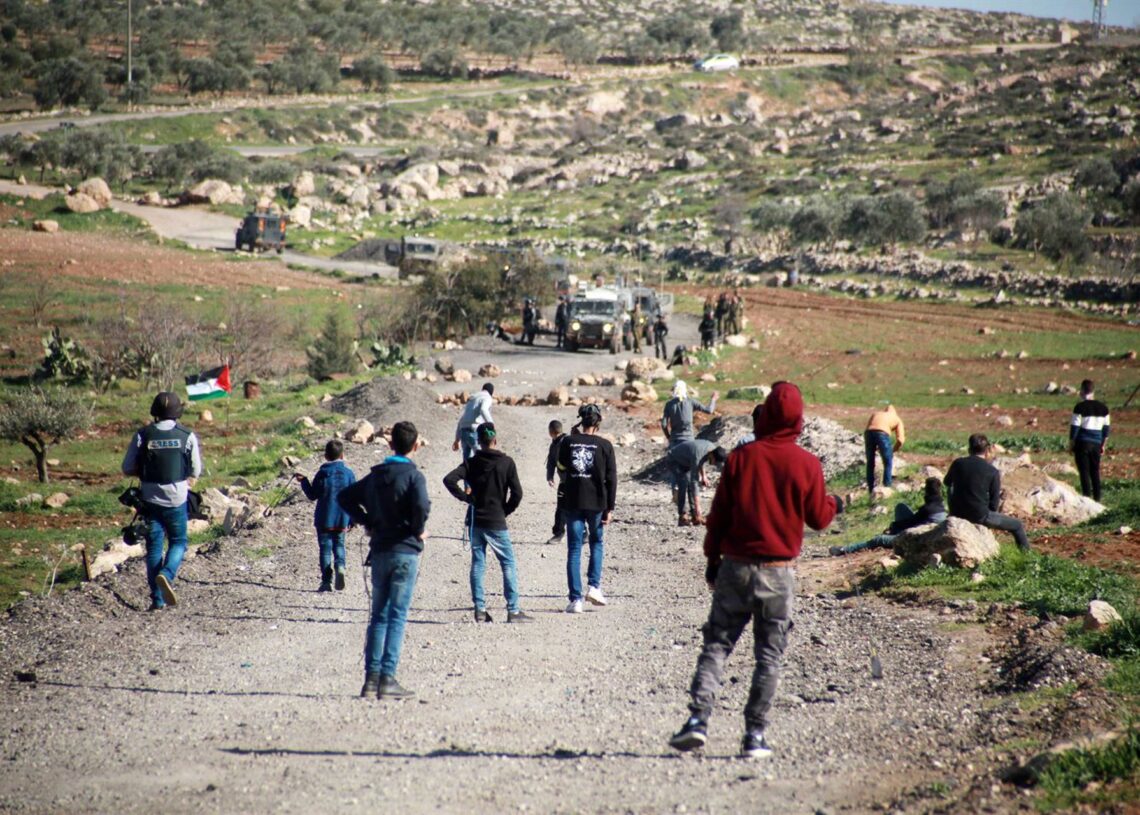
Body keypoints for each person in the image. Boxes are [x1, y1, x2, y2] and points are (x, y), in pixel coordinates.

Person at [669, 382, 842, 759]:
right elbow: (819, 518)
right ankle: (754, 737)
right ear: (798, 419)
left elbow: (718, 518)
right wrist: (835, 502)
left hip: (736, 566)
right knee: (769, 655)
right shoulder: (807, 464)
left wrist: (712, 561)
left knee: (717, 644)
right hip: (778, 575)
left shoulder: (742, 458)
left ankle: (698, 720)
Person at [337, 421, 430, 699]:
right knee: (397, 616)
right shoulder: (414, 476)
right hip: (405, 551)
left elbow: (345, 497)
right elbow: (422, 506)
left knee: (377, 615)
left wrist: (367, 521)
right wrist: (417, 531)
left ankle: (370, 680)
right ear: (415, 446)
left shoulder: (376, 475)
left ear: (390, 445)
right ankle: (388, 679)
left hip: (379, 550)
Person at [443, 424, 533, 624]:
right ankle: (513, 610)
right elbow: (517, 494)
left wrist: (466, 499)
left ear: (479, 442)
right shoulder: (507, 463)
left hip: (475, 520)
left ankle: (480, 609)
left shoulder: (471, 463)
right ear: (495, 440)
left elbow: (449, 480)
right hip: (496, 520)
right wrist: (505, 511)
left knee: (478, 563)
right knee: (507, 563)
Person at [121, 391, 202, 611]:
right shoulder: (187, 435)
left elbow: (127, 468)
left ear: (155, 412)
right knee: (178, 542)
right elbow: (196, 469)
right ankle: (167, 574)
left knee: (154, 547)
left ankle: (156, 600)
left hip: (149, 500)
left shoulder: (143, 435)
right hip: (177, 499)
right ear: (178, 412)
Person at [557, 403, 617, 614]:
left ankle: (575, 600)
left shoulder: (568, 441)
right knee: (596, 542)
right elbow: (611, 478)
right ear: (598, 422)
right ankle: (594, 587)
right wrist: (610, 507)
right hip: (597, 502)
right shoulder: (605, 445)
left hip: (573, 501)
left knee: (574, 549)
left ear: (581, 421)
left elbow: (561, 467)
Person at [944, 433, 1030, 551]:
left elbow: (947, 482)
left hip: (957, 512)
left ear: (969, 449)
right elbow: (994, 504)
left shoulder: (958, 463)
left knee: (951, 488)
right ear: (987, 451)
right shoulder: (992, 471)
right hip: (979, 515)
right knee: (1017, 525)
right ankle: (1026, 556)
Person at [296, 440, 357, 592]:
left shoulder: (322, 473)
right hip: (342, 518)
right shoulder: (349, 474)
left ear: (325, 456)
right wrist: (353, 519)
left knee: (325, 549)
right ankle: (340, 566)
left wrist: (303, 481)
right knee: (340, 545)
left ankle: (326, 582)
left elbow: (312, 495)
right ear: (342, 455)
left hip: (324, 519)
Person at [829, 477, 946, 556]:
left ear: (926, 492)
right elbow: (915, 522)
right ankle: (894, 532)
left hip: (916, 539)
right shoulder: (940, 506)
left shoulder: (927, 509)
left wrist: (892, 526)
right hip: (923, 531)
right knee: (901, 507)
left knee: (879, 539)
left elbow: (912, 523)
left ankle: (844, 550)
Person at [667, 440, 728, 526]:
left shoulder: (711, 449)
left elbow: (701, 461)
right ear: (711, 454)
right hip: (674, 460)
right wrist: (698, 506)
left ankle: (695, 516)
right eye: (715, 461)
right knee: (684, 483)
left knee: (689, 484)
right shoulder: (699, 454)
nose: (714, 464)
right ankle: (682, 516)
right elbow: (694, 481)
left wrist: (704, 476)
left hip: (686, 461)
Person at [1070, 379, 1110, 502]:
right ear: (1093, 391)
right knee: (1095, 471)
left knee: (1084, 472)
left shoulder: (1079, 407)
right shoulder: (1104, 408)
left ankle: (1087, 498)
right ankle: (1097, 499)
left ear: (1082, 391)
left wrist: (1072, 444)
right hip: (1096, 443)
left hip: (1082, 442)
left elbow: (1075, 428)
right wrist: (1103, 445)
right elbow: (1106, 430)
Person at [660, 380, 718, 448]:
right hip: (688, 441)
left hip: (674, 441)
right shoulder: (691, 402)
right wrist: (713, 399)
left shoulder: (669, 404)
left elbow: (664, 424)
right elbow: (709, 410)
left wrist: (668, 437)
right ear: (685, 390)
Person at [864, 403, 905, 494]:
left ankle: (870, 489)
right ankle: (887, 486)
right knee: (887, 461)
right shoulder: (897, 419)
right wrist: (892, 450)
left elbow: (870, 428)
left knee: (870, 463)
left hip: (868, 433)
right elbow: (900, 440)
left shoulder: (876, 414)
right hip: (882, 433)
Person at [453, 383, 494, 460]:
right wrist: (491, 425)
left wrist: (457, 439)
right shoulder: (487, 397)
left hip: (463, 431)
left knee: (467, 463)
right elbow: (483, 409)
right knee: (482, 459)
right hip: (474, 431)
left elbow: (462, 419)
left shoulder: (473, 398)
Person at [545, 419, 568, 545]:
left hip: (569, 482)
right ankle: (583, 533)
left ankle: (559, 534)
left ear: (551, 432)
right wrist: (550, 476)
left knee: (562, 508)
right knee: (566, 507)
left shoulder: (565, 443)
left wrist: (550, 476)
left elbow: (551, 462)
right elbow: (551, 462)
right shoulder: (555, 443)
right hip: (568, 481)